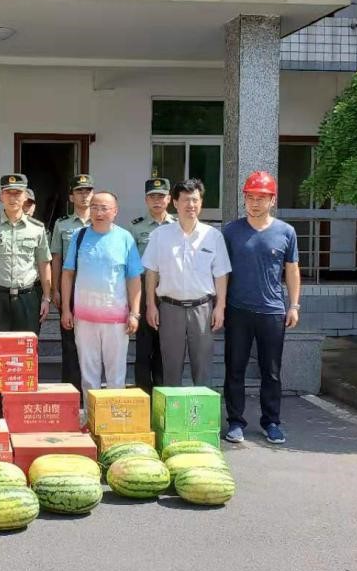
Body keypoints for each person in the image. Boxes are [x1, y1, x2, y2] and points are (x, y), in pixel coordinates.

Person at [221, 171, 301, 445]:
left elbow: (292, 270)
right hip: (238, 310)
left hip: (272, 311)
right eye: (250, 197)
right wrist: (220, 305)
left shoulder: (286, 232)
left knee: (271, 371)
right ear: (244, 199)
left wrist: (294, 305)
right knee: (235, 368)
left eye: (261, 198)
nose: (255, 203)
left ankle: (272, 422)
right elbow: (222, 273)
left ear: (272, 200)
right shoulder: (231, 231)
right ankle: (235, 421)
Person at [143, 178, 231, 388]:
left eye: (195, 200)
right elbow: (151, 272)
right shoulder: (160, 235)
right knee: (170, 369)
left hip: (202, 309)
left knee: (203, 368)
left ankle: (202, 410)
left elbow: (221, 274)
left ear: (201, 203)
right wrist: (150, 305)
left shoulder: (213, 236)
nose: (191, 205)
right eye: (185, 200)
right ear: (175, 202)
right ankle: (173, 410)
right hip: (169, 308)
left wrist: (220, 307)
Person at [59, 191, 143, 402]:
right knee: (89, 376)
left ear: (115, 212)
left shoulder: (125, 238)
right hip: (84, 319)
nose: (98, 212)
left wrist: (135, 313)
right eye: (94, 207)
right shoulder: (79, 237)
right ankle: (91, 416)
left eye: (104, 208)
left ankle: (114, 417)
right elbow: (68, 273)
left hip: (116, 321)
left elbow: (134, 278)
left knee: (116, 375)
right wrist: (66, 310)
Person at [0, 173, 52, 335]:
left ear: (25, 196)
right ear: (1, 196)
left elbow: (44, 264)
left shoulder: (37, 228)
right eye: (8, 193)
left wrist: (46, 298)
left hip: (28, 297)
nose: (13, 198)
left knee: (26, 344)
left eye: (17, 193)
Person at [129, 177, 176, 394]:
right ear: (146, 200)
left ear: (169, 199)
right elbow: (130, 264)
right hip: (142, 290)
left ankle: (161, 394)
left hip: (170, 291)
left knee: (165, 347)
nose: (157, 201)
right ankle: (143, 394)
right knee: (143, 347)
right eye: (152, 197)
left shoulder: (177, 226)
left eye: (161, 196)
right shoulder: (135, 228)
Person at [50, 173, 94, 390]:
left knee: (93, 343)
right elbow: (56, 258)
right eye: (79, 192)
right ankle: (70, 389)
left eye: (88, 191)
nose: (84, 196)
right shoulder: (62, 224)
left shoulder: (101, 222)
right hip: (70, 288)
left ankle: (91, 390)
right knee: (69, 342)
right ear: (71, 197)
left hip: (95, 290)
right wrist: (55, 289)